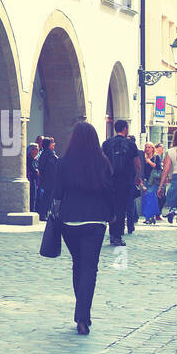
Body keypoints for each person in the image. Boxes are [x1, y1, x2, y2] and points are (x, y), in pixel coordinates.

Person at [51, 121, 113, 335]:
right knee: (90, 268)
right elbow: (109, 192)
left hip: (70, 221)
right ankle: (82, 315)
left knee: (78, 265)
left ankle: (81, 312)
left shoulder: (64, 163)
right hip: (95, 221)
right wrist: (112, 215)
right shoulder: (102, 162)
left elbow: (58, 194)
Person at [103, 119, 142, 246]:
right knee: (121, 208)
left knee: (112, 207)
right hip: (125, 180)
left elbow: (102, 161)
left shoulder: (107, 143)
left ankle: (112, 234)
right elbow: (137, 163)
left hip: (110, 180)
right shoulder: (130, 144)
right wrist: (138, 177)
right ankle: (118, 236)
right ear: (125, 129)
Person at [34, 136, 58, 221]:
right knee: (47, 198)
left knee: (48, 198)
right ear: (48, 144)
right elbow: (46, 168)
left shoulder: (48, 153)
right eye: (52, 142)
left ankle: (45, 214)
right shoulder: (48, 154)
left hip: (49, 180)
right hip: (49, 180)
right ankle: (43, 214)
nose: (54, 144)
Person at [26, 142, 40, 213]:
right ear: (31, 150)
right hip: (30, 179)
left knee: (35, 195)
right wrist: (36, 171)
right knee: (32, 195)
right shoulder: (28, 158)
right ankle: (32, 210)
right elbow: (31, 169)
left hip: (35, 179)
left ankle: (34, 209)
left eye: (37, 149)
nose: (36, 151)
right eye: (34, 149)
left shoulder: (35, 159)